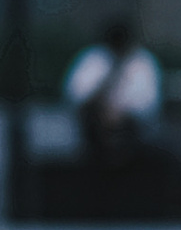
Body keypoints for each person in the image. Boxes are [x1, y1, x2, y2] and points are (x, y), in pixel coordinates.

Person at [63, 16, 160, 158]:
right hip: (93, 127)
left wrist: (121, 113)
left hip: (131, 128)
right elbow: (75, 96)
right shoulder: (93, 58)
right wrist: (102, 109)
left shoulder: (142, 62)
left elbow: (149, 104)